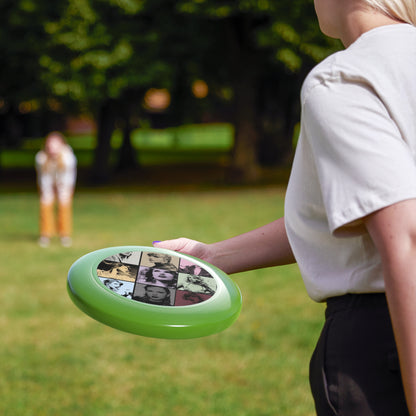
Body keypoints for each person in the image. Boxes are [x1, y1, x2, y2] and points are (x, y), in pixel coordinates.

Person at [154, 1, 416, 415]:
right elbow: (354, 212)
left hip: (385, 343)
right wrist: (212, 256)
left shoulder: (346, 78)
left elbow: (405, 236)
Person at [35, 131, 77, 247]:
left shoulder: (68, 157)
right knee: (45, 204)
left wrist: (61, 189)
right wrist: (47, 191)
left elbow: (67, 177)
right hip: (47, 183)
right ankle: (45, 234)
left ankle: (64, 235)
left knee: (64, 206)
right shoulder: (41, 158)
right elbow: (44, 177)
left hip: (64, 184)